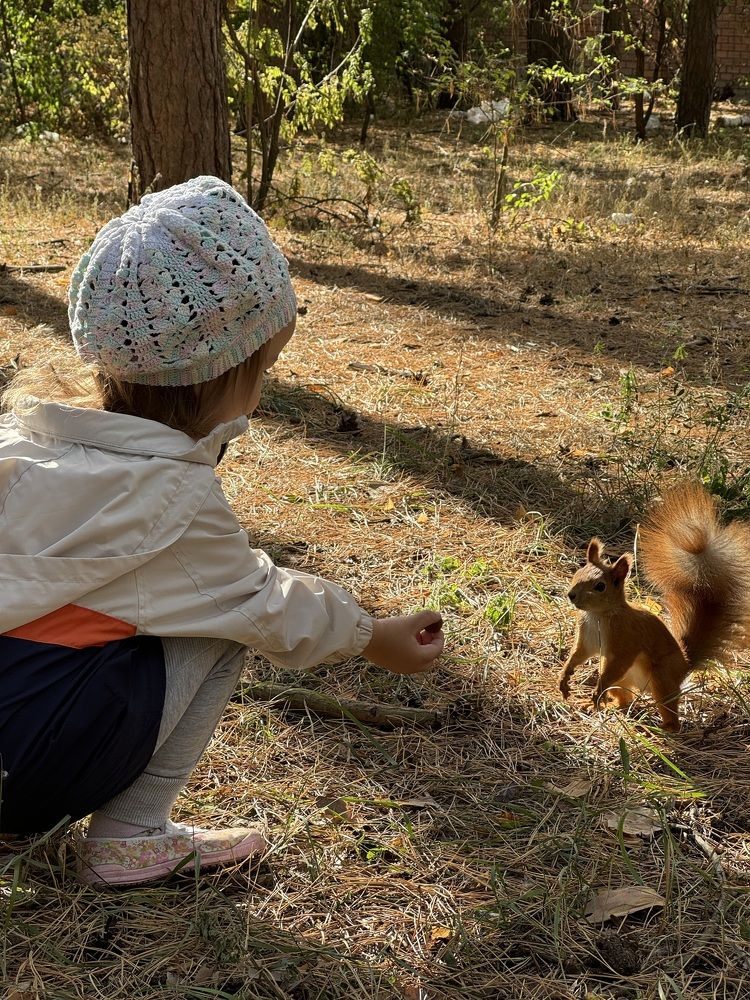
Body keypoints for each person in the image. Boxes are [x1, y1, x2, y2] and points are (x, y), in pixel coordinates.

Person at [0, 176, 444, 885]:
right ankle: (131, 835)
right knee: (221, 622)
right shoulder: (171, 499)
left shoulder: (22, 442)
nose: (262, 391)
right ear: (221, 375)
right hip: (27, 768)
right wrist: (369, 634)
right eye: (261, 368)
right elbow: (264, 601)